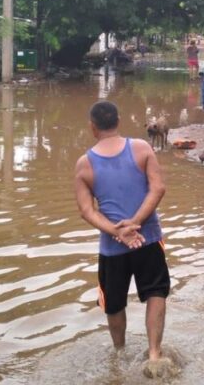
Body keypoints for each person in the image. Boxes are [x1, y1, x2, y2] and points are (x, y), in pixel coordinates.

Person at [74, 101, 170, 363]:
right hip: (148, 238)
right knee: (155, 292)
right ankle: (154, 354)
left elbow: (87, 211)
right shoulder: (141, 148)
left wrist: (118, 231)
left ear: (93, 128)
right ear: (118, 120)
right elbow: (158, 188)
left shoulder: (85, 163)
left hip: (112, 247)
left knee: (114, 303)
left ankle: (119, 354)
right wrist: (136, 223)